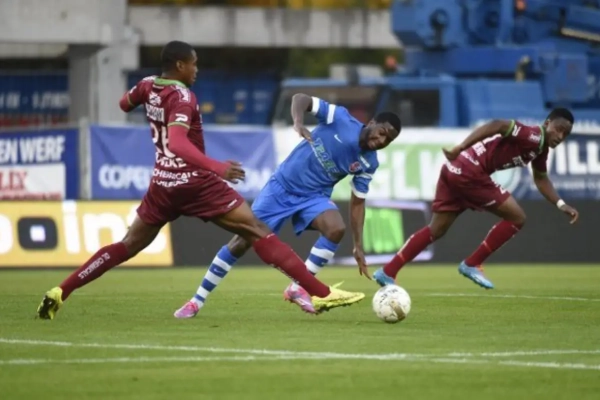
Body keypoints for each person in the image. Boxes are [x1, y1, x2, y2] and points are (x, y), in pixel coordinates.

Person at [36, 41, 365, 320]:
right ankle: (320, 293)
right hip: (194, 182)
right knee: (257, 230)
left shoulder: (149, 85)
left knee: (127, 246)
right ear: (180, 65)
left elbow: (125, 103)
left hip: (162, 184)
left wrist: (145, 99)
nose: (196, 70)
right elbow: (178, 143)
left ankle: (61, 291)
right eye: (193, 64)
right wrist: (217, 168)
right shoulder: (183, 98)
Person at [174, 92, 401, 318]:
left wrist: (358, 245)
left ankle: (298, 288)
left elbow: (358, 202)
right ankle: (196, 300)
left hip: (314, 197)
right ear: (372, 123)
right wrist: (299, 122)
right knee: (240, 243)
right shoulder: (340, 118)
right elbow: (300, 99)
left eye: (388, 140)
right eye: (382, 133)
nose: (381, 141)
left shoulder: (369, 163)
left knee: (335, 228)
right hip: (281, 188)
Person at [372, 109, 579, 289]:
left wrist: (560, 204)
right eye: (559, 129)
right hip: (471, 171)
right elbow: (497, 125)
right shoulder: (533, 135)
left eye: (566, 134)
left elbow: (541, 179)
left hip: (455, 169)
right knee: (517, 217)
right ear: (547, 123)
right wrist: (461, 146)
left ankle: (388, 271)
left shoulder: (540, 149)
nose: (560, 136)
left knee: (436, 229)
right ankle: (472, 263)